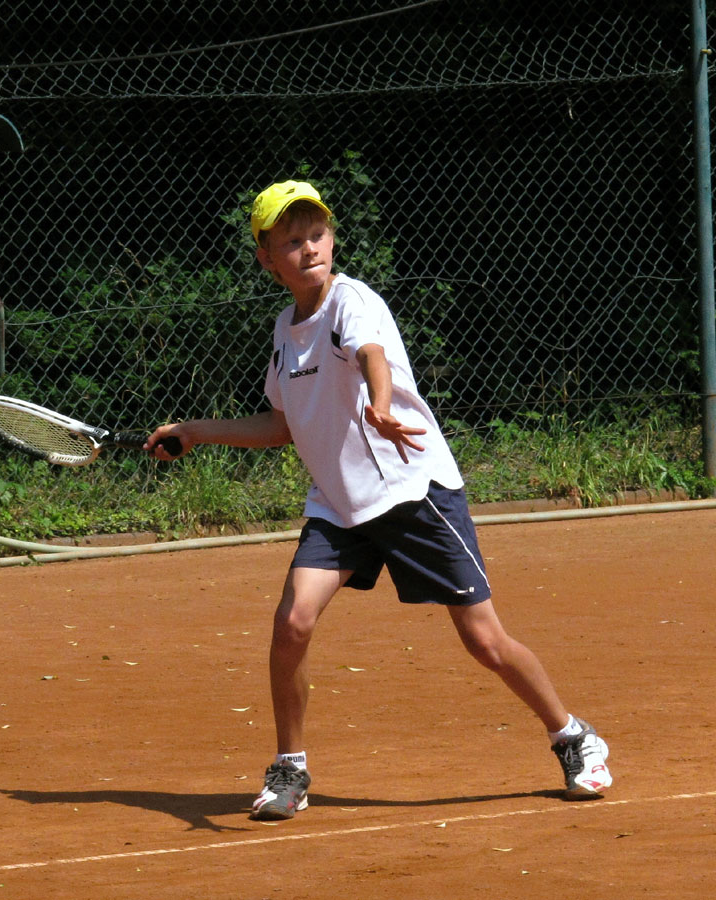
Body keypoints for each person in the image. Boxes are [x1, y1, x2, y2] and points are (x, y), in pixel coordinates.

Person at [146, 180, 612, 821]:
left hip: (411, 493)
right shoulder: (285, 330)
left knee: (484, 642)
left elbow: (370, 354)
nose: (310, 248)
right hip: (340, 505)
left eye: (317, 234)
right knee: (292, 623)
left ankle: (572, 735)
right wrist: (196, 431)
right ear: (266, 257)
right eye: (292, 240)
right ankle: (290, 767)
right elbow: (280, 425)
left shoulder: (351, 301)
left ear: (332, 239)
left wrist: (381, 404)